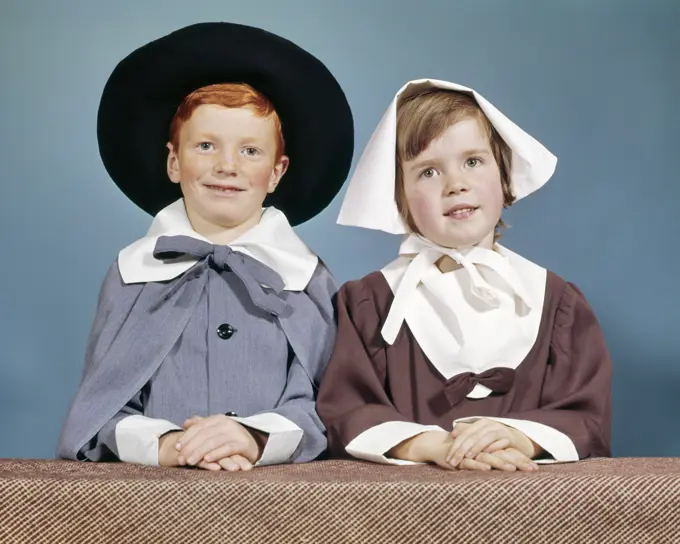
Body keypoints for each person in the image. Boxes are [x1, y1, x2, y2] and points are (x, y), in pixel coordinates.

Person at [57, 22, 354, 472]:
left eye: (250, 151)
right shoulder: (132, 273)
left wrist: (252, 439)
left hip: (280, 496)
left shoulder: (307, 278)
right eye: (206, 145)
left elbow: (324, 405)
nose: (227, 166)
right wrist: (170, 445)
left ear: (277, 172)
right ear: (174, 161)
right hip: (153, 498)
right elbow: (102, 408)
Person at [318, 79, 611, 471]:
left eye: (473, 161)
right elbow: (345, 412)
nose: (456, 184)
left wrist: (518, 436)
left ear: (504, 175)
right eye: (428, 172)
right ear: (398, 197)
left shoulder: (557, 303)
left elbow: (587, 416)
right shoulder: (368, 306)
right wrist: (432, 444)